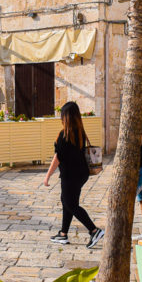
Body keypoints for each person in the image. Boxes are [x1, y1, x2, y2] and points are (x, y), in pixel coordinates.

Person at [44, 101, 105, 248]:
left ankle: (94, 230)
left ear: (66, 117)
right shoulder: (79, 132)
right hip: (81, 174)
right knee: (67, 202)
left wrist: (47, 176)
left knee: (71, 204)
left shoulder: (64, 135)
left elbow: (57, 158)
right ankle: (63, 234)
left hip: (70, 175)